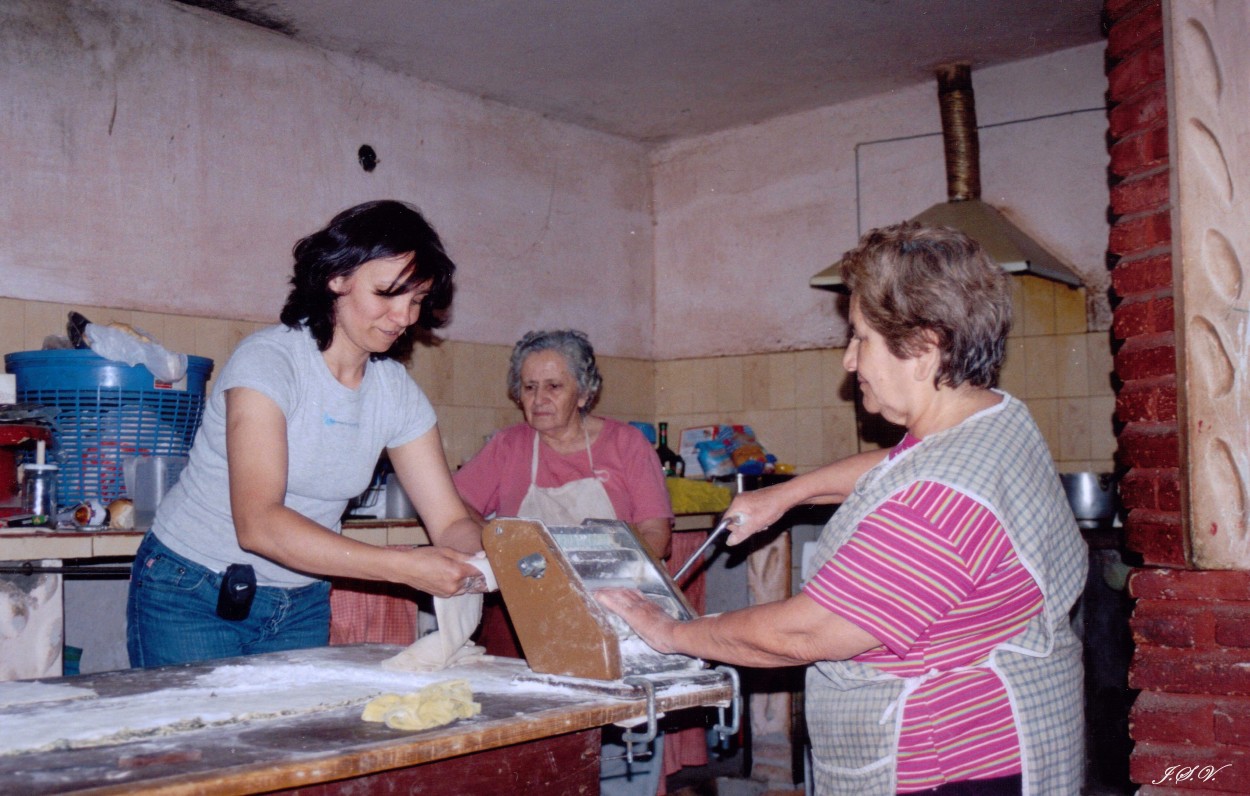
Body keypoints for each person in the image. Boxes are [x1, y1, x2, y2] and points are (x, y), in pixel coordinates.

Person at [598, 222, 1088, 796]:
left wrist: (669, 631)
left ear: (925, 348)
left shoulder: (940, 501)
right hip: (1015, 735)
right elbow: (895, 466)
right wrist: (787, 493)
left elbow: (806, 633)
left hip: (944, 766)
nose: (850, 362)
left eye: (860, 338)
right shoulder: (990, 419)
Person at [127, 200, 487, 669]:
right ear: (337, 277)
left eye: (416, 300)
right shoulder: (269, 362)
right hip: (191, 591)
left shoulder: (395, 393)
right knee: (199, 742)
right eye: (387, 294)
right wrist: (404, 567)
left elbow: (450, 521)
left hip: (300, 602)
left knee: (288, 740)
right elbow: (259, 524)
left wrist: (486, 559)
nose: (403, 317)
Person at [453, 328, 677, 795]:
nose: (538, 399)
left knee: (617, 729)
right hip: (525, 616)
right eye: (529, 387)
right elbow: (453, 505)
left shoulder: (625, 445)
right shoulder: (509, 446)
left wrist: (598, 572)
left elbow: (656, 533)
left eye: (553, 386)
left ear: (585, 390)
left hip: (613, 613)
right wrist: (495, 546)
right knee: (531, 738)